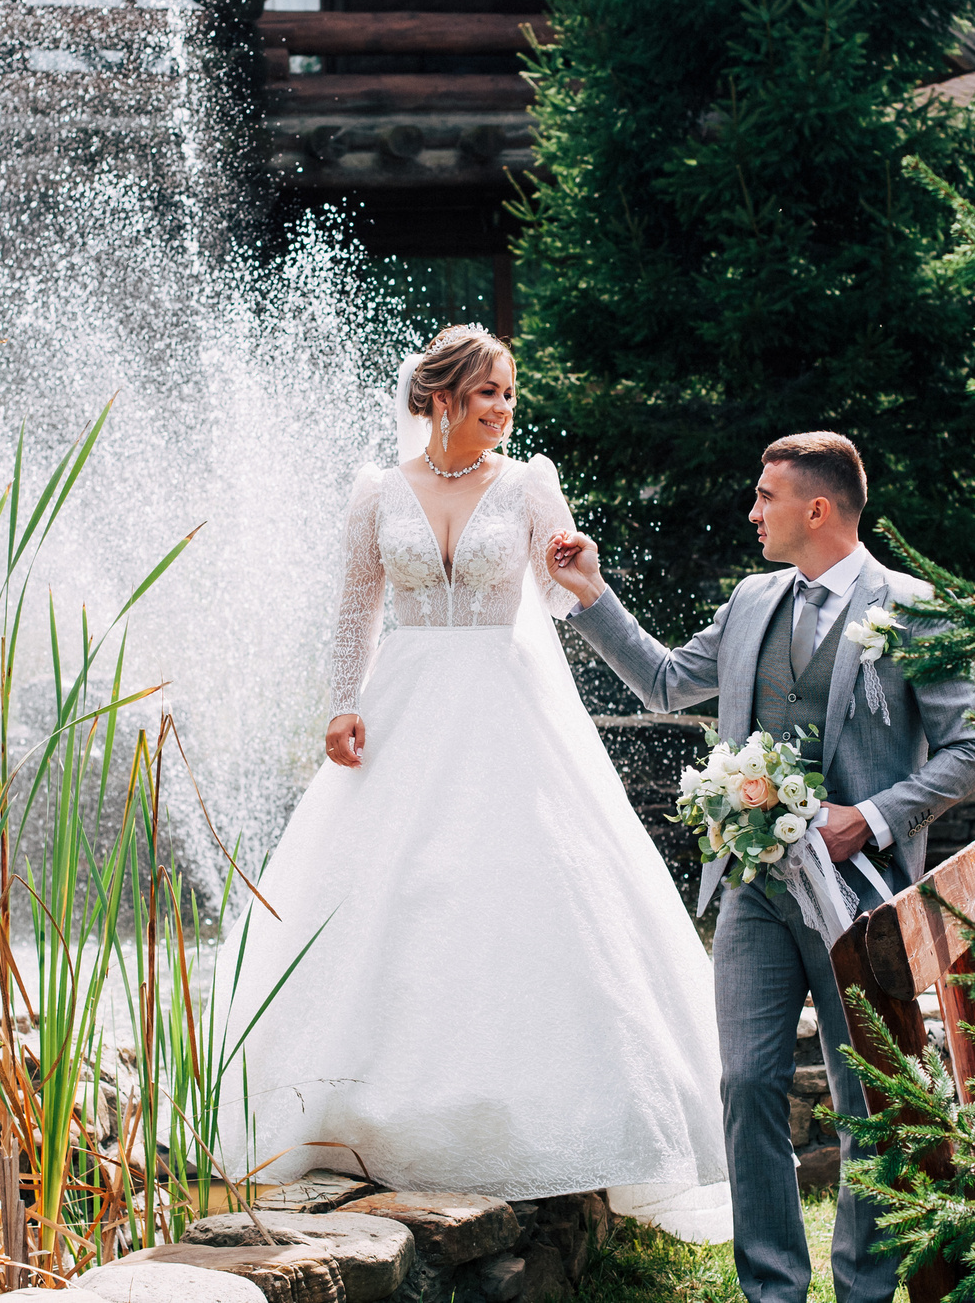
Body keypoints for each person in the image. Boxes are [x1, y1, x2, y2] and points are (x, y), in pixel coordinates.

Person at [222, 325, 731, 1240]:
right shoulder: (377, 490)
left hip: (506, 704)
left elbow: (558, 583)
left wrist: (581, 575)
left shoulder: (531, 482)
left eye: (507, 394)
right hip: (404, 703)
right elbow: (356, 604)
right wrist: (341, 702)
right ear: (443, 398)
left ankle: (543, 1113)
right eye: (488, 393)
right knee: (386, 888)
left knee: (520, 887)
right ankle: (357, 1106)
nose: (503, 409)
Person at [543, 433, 975, 1303]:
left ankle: (862, 1287)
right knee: (746, 1081)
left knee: (868, 1098)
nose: (752, 512)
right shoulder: (751, 602)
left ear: (815, 509)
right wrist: (591, 595)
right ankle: (773, 1291)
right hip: (754, 889)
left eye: (765, 497)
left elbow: (972, 750)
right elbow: (669, 682)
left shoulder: (915, 609)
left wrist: (872, 816)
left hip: (863, 903)